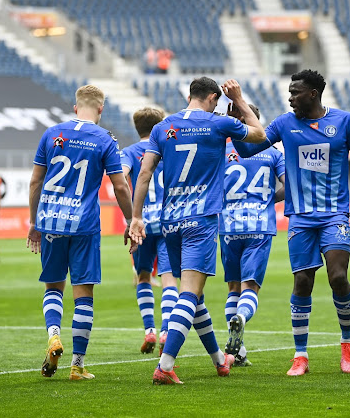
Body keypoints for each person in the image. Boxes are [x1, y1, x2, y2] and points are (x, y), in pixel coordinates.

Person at [232, 69, 350, 376]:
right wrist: (239, 114)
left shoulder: (344, 121)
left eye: (295, 91)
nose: (290, 97)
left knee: (338, 277)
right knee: (302, 282)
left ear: (313, 93)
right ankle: (300, 356)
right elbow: (247, 149)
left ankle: (348, 343)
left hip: (334, 213)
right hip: (299, 216)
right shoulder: (284, 123)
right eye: (289, 91)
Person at [129, 77, 266, 385]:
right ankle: (164, 366)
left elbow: (145, 172)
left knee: (197, 296)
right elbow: (260, 134)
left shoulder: (162, 127)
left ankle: (219, 360)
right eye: (217, 101)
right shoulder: (218, 124)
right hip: (200, 221)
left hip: (170, 222)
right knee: (189, 293)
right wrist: (241, 101)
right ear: (212, 97)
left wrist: (136, 217)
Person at [27, 85, 133, 381]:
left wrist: (34, 223)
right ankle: (77, 365)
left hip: (51, 222)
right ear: (101, 109)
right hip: (84, 224)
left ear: (76, 107)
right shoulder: (105, 139)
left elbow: (36, 182)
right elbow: (120, 185)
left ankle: (53, 336)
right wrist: (131, 219)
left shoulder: (51, 134)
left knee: (53, 287)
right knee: (83, 293)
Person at [220, 104, 285, 367]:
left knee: (233, 287)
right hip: (259, 225)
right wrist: (269, 199)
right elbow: (290, 185)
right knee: (251, 287)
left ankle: (238, 351)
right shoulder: (271, 152)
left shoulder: (219, 150)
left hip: (228, 226)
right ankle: (243, 319)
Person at [121, 106, 179, 356]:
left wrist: (131, 213)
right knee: (168, 279)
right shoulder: (169, 149)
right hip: (169, 222)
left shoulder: (129, 152)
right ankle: (167, 330)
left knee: (143, 277)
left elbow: (121, 179)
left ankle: (150, 331)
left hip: (142, 223)